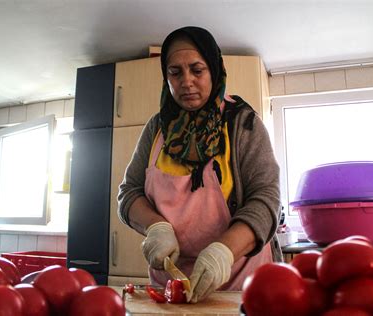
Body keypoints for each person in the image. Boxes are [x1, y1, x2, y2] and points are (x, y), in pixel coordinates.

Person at [117, 26, 281, 303]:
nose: (186, 81)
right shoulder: (156, 128)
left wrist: (223, 252)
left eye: (197, 69)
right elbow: (129, 193)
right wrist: (156, 226)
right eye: (175, 72)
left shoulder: (242, 123)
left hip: (241, 283)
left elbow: (266, 199)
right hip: (172, 285)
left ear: (214, 70)